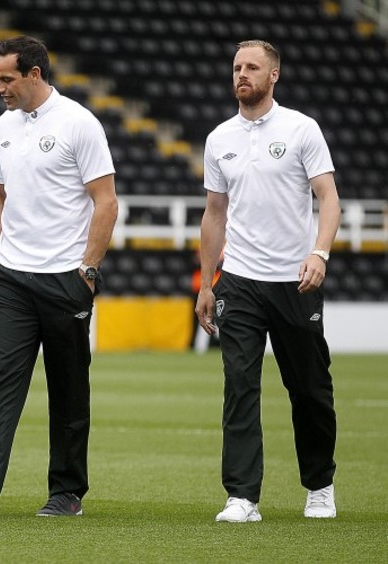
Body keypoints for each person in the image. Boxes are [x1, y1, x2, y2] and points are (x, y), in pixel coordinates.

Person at [0, 35, 118, 518]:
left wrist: (88, 269)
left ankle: (66, 493)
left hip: (65, 278)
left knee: (67, 388)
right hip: (9, 280)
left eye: (6, 78)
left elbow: (106, 202)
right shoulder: (4, 125)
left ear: (35, 75)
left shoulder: (80, 123)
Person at [195, 40, 341, 523]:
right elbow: (214, 215)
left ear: (273, 74)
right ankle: (242, 496)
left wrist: (319, 253)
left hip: (295, 282)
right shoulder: (219, 138)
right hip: (239, 281)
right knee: (239, 387)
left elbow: (329, 198)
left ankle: (319, 484)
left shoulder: (302, 129)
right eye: (237, 66)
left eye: (252, 67)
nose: (242, 74)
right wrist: (207, 283)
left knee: (310, 389)